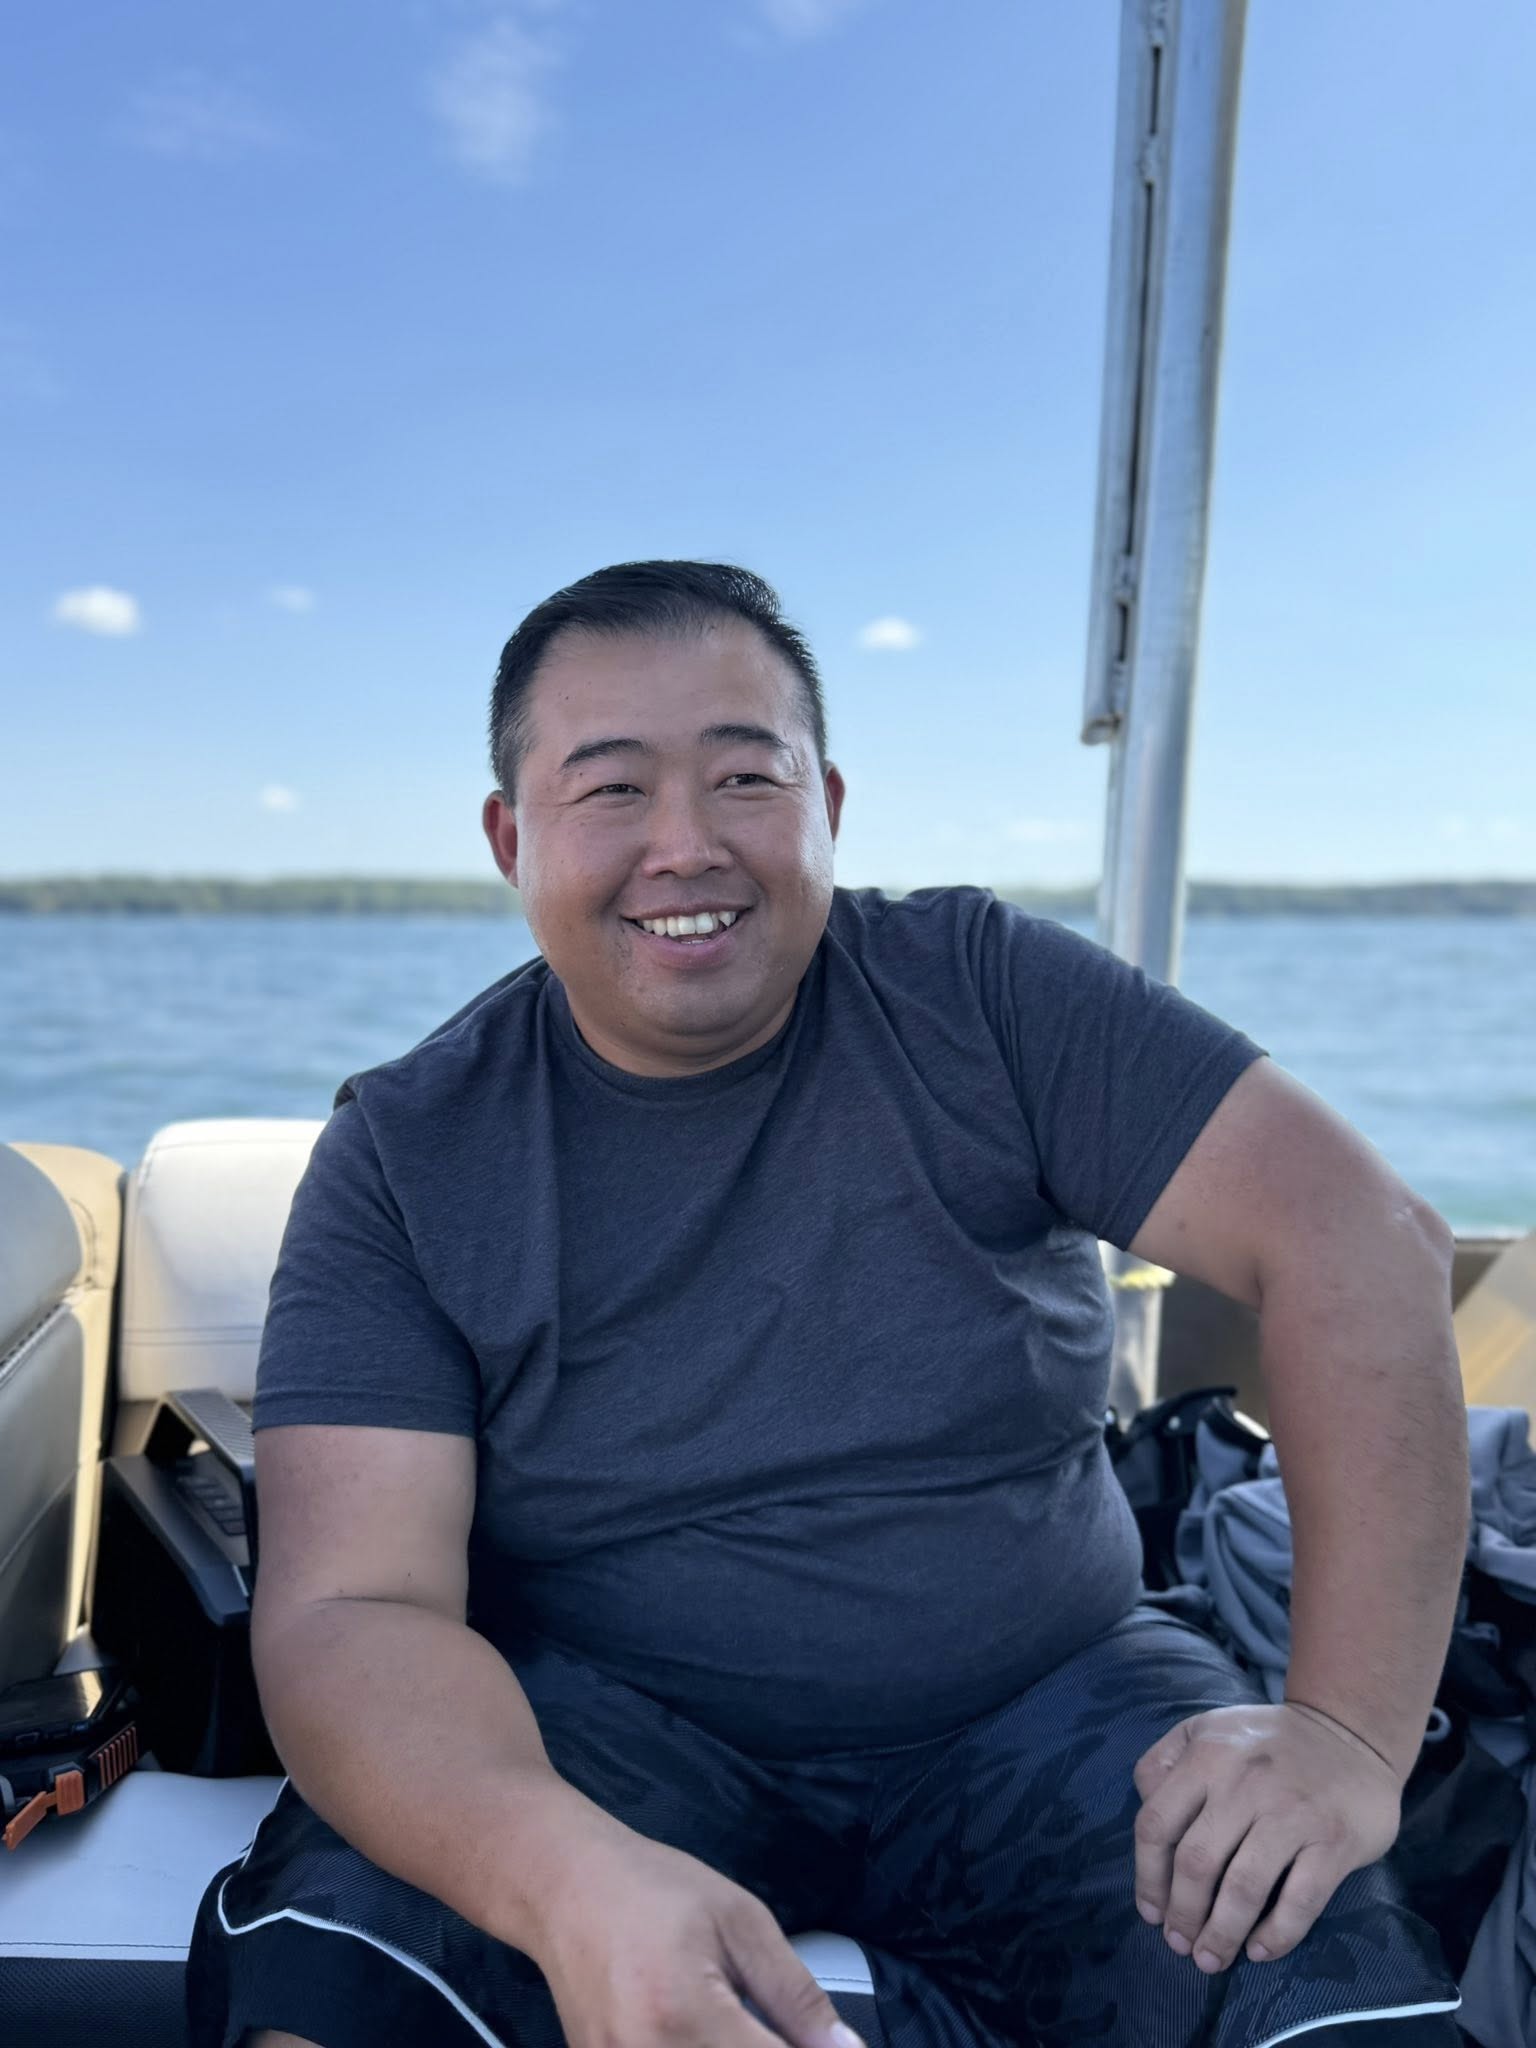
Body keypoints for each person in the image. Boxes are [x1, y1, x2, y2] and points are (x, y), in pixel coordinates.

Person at [188, 560, 1472, 2048]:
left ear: (828, 804)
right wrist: (564, 1878)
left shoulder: (985, 994)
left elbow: (1359, 1244)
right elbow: (356, 1606)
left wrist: (1346, 1738)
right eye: (610, 791)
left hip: (1057, 1692)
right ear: (510, 834)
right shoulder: (410, 1150)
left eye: (745, 777)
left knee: (1324, 1986)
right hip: (604, 1726)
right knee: (330, 2000)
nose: (686, 845)